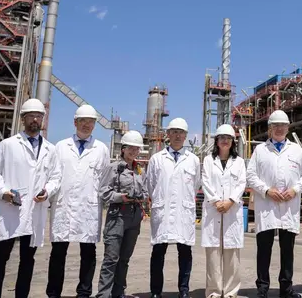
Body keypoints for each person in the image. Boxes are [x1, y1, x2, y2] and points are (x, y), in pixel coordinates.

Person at [0, 98, 61, 298]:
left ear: (43, 119)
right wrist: (4, 192)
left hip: (34, 211)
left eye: (39, 116)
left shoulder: (50, 149)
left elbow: (56, 177)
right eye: (31, 116)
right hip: (11, 209)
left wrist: (47, 191)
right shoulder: (7, 145)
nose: (35, 120)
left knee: (28, 260)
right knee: (0, 257)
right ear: (23, 119)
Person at [46, 104, 111, 298]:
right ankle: (53, 293)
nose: (87, 125)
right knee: (58, 253)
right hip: (63, 207)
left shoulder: (101, 149)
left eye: (90, 122)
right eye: (83, 121)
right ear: (75, 122)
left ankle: (84, 292)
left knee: (88, 253)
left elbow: (105, 179)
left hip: (88, 208)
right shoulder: (61, 147)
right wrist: (47, 192)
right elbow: (54, 176)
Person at [246, 109, 302, 298]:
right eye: (275, 126)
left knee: (287, 251)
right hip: (266, 207)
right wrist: (266, 190)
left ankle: (286, 289)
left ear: (288, 128)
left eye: (282, 125)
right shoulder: (260, 150)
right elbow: (250, 176)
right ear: (270, 129)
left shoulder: (296, 150)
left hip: (288, 207)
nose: (279, 129)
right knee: (264, 251)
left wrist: (295, 189)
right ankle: (262, 288)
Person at [146, 117, 201, 298]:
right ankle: (156, 291)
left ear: (185, 136)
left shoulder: (192, 160)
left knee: (184, 252)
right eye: (174, 132)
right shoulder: (156, 159)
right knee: (158, 252)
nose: (178, 135)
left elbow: (195, 184)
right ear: (168, 135)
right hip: (163, 210)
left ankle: (183, 290)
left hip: (183, 212)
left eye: (181, 132)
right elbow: (151, 185)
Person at [96, 130, 148, 298]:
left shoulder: (139, 170)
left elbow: (146, 190)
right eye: (130, 148)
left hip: (134, 217)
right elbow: (103, 192)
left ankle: (119, 292)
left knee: (124, 258)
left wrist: (142, 197)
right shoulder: (113, 168)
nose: (134, 151)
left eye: (137, 149)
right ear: (123, 148)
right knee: (111, 258)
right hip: (117, 215)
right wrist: (120, 197)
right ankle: (104, 294)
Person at [201, 124, 247, 298]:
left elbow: (241, 183)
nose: (225, 141)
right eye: (222, 138)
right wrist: (216, 201)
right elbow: (205, 181)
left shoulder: (240, 162)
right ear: (217, 141)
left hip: (231, 211)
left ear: (233, 142)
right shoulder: (208, 160)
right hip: (213, 211)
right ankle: (213, 291)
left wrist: (230, 202)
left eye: (228, 138)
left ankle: (230, 292)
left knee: (232, 255)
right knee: (213, 255)